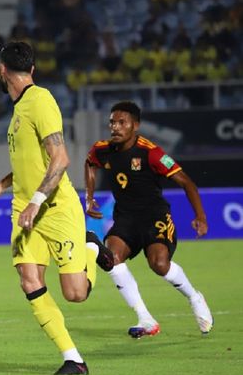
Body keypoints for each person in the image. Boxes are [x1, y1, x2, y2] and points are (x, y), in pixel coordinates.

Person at [0, 41, 113, 375]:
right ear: (31, 68)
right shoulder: (18, 110)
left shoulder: (40, 100)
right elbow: (31, 164)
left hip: (53, 207)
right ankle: (72, 358)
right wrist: (1, 185)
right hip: (24, 210)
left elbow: (61, 158)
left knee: (76, 294)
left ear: (1, 70)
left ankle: (91, 247)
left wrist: (37, 201)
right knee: (28, 279)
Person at [84, 101, 213, 338]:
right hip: (125, 219)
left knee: (159, 265)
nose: (115, 127)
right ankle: (145, 318)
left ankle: (194, 297)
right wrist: (89, 198)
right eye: (112, 122)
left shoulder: (152, 153)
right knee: (111, 260)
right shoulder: (102, 149)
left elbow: (186, 182)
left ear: (135, 125)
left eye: (122, 122)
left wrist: (200, 217)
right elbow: (91, 163)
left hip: (155, 216)